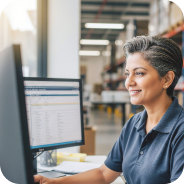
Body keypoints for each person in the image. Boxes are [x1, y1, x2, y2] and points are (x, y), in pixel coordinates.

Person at [34, 35, 184, 184]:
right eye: (127, 73)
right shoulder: (135, 123)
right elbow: (104, 174)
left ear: (167, 79)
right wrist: (53, 182)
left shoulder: (180, 130)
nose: (128, 82)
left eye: (139, 73)